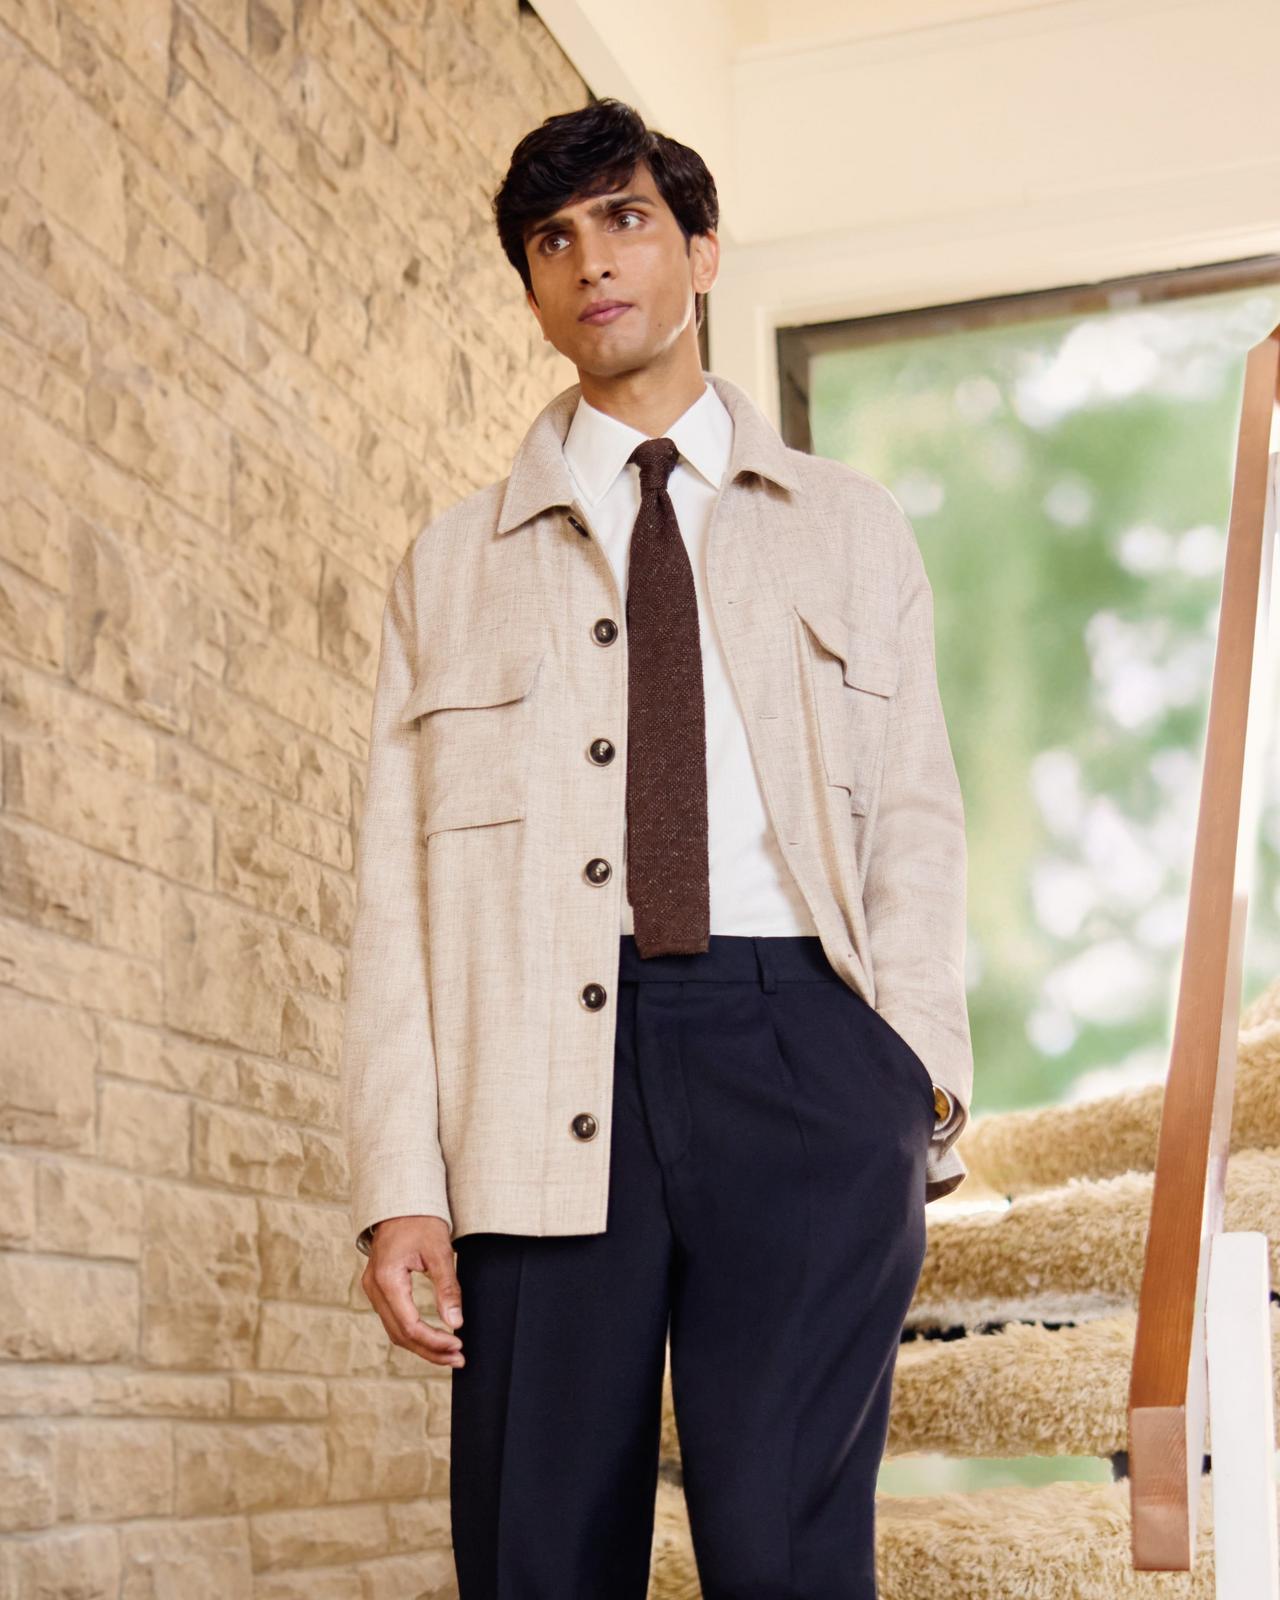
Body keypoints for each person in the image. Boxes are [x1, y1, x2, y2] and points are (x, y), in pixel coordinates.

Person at [340, 95, 973, 1600]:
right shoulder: (450, 567)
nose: (588, 263)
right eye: (551, 241)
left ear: (698, 249)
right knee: (537, 1555)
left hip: (800, 1049)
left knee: (786, 1554)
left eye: (623, 220)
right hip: (541, 1079)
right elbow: (389, 892)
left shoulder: (850, 528)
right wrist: (396, 1178)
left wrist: (917, 1078)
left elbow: (917, 819)